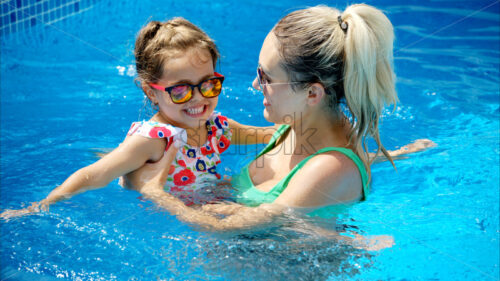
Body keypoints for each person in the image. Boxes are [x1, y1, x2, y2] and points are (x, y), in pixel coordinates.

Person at [123, 4, 435, 233]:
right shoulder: (295, 124)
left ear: (312, 94)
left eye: (266, 77)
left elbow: (228, 228)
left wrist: (155, 193)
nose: (256, 85)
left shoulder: (330, 167)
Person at [0, 18, 273, 219]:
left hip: (203, 203)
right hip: (163, 216)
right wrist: (39, 207)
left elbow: (267, 135)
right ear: (151, 93)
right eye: (180, 90)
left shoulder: (216, 127)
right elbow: (92, 175)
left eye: (209, 84)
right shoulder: (154, 140)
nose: (198, 98)